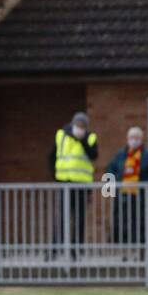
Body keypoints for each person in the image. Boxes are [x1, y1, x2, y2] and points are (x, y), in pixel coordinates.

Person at [48, 111, 98, 262]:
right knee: (62, 217)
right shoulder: (61, 135)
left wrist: (82, 141)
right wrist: (55, 176)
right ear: (73, 124)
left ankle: (77, 250)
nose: (80, 128)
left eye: (83, 126)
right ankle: (55, 250)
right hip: (65, 182)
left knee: (80, 218)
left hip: (81, 184)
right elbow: (51, 156)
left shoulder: (90, 137)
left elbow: (93, 155)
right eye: (78, 125)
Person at [106, 126, 148, 260]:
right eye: (131, 138)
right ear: (127, 139)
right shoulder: (120, 155)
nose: (134, 141)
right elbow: (110, 170)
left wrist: (146, 185)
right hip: (123, 196)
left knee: (140, 224)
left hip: (140, 197)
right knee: (123, 224)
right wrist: (109, 190)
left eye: (137, 138)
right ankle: (125, 252)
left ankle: (140, 253)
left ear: (142, 139)